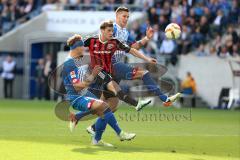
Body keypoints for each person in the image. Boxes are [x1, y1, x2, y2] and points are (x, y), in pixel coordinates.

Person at [63, 36, 136, 147]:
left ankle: (83, 124)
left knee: (105, 109)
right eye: (83, 46)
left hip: (85, 94)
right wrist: (93, 75)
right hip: (77, 98)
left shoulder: (75, 61)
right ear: (77, 48)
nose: (84, 48)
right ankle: (114, 135)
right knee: (105, 107)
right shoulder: (69, 64)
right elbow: (77, 87)